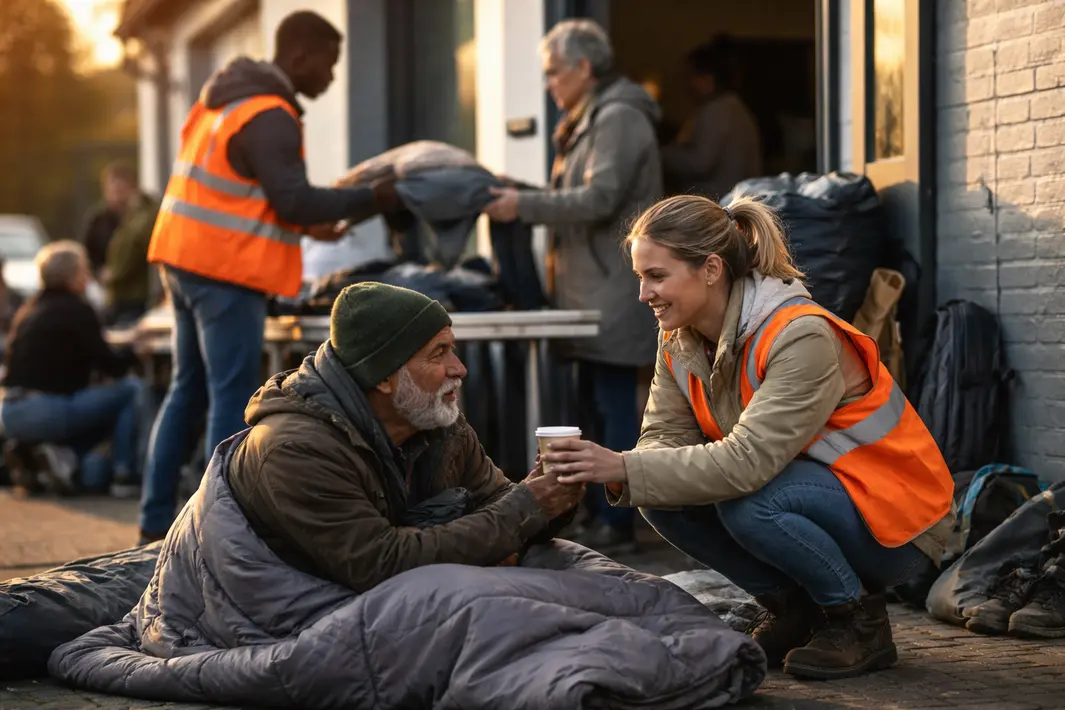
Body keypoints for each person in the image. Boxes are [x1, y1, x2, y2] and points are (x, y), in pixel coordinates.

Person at [541, 194, 956, 680]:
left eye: (656, 276)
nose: (643, 294)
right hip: (817, 497)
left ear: (711, 269)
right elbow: (663, 436)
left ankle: (856, 619)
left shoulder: (799, 335)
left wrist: (619, 465)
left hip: (897, 524)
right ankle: (794, 609)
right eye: (640, 278)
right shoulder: (680, 336)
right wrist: (628, 471)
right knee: (657, 496)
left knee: (748, 502)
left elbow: (747, 464)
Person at [138, 10, 401, 544]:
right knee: (228, 395)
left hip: (183, 260)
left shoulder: (224, 102)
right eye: (329, 64)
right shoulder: (271, 114)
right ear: (300, 56)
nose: (330, 77)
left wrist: (314, 223)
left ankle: (153, 521)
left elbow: (251, 194)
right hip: (224, 271)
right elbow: (295, 199)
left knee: (186, 390)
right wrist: (373, 197)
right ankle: (217, 533)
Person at [226, 282, 584, 590]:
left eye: (452, 349)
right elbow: (380, 565)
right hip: (278, 613)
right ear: (382, 377)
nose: (459, 369)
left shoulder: (435, 419)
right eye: (438, 353)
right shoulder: (295, 449)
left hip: (379, 602)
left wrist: (552, 496)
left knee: (584, 576)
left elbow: (496, 504)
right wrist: (523, 508)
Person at [483, 19, 661, 551]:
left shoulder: (619, 118)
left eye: (554, 72)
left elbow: (601, 198)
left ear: (584, 69)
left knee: (610, 403)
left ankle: (619, 524)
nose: (547, 83)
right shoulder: (590, 119)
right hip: (589, 292)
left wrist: (524, 205)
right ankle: (596, 516)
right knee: (590, 405)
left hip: (609, 291)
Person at [0, 241, 143, 496]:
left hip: (10, 412)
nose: (88, 276)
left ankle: (50, 459)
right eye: (84, 270)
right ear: (72, 276)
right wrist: (136, 351)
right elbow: (111, 366)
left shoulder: (29, 309)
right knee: (131, 390)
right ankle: (124, 474)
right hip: (45, 409)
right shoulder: (78, 309)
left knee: (91, 450)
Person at [660, 38, 762, 200]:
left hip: (718, 205)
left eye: (691, 76)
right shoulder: (733, 108)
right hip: (729, 203)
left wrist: (660, 156)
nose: (688, 84)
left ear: (707, 79)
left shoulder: (717, 111)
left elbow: (700, 162)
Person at [95, 162, 160, 326]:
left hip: (136, 296)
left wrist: (113, 274)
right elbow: (91, 247)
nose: (115, 195)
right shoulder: (102, 218)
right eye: (111, 190)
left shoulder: (142, 217)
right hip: (118, 295)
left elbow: (134, 248)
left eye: (120, 189)